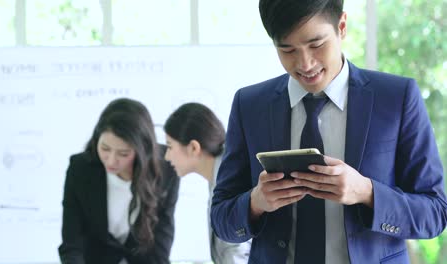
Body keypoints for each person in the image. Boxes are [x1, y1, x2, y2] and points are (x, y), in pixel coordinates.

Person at [210, 1, 447, 264]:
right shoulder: (250, 105)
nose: (305, 64)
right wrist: (255, 202)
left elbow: (435, 214)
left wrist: (367, 192)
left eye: (316, 45)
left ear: (342, 27)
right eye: (287, 49)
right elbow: (221, 219)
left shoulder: (396, 98)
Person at [58, 98, 180, 264]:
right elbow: (72, 243)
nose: (111, 161)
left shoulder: (166, 167)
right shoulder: (80, 169)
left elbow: (161, 240)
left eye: (123, 153)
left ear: (141, 150)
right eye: (105, 149)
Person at [163, 102, 251, 264]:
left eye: (170, 146)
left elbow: (236, 253)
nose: (167, 156)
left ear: (193, 148)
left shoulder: (229, 182)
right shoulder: (221, 175)